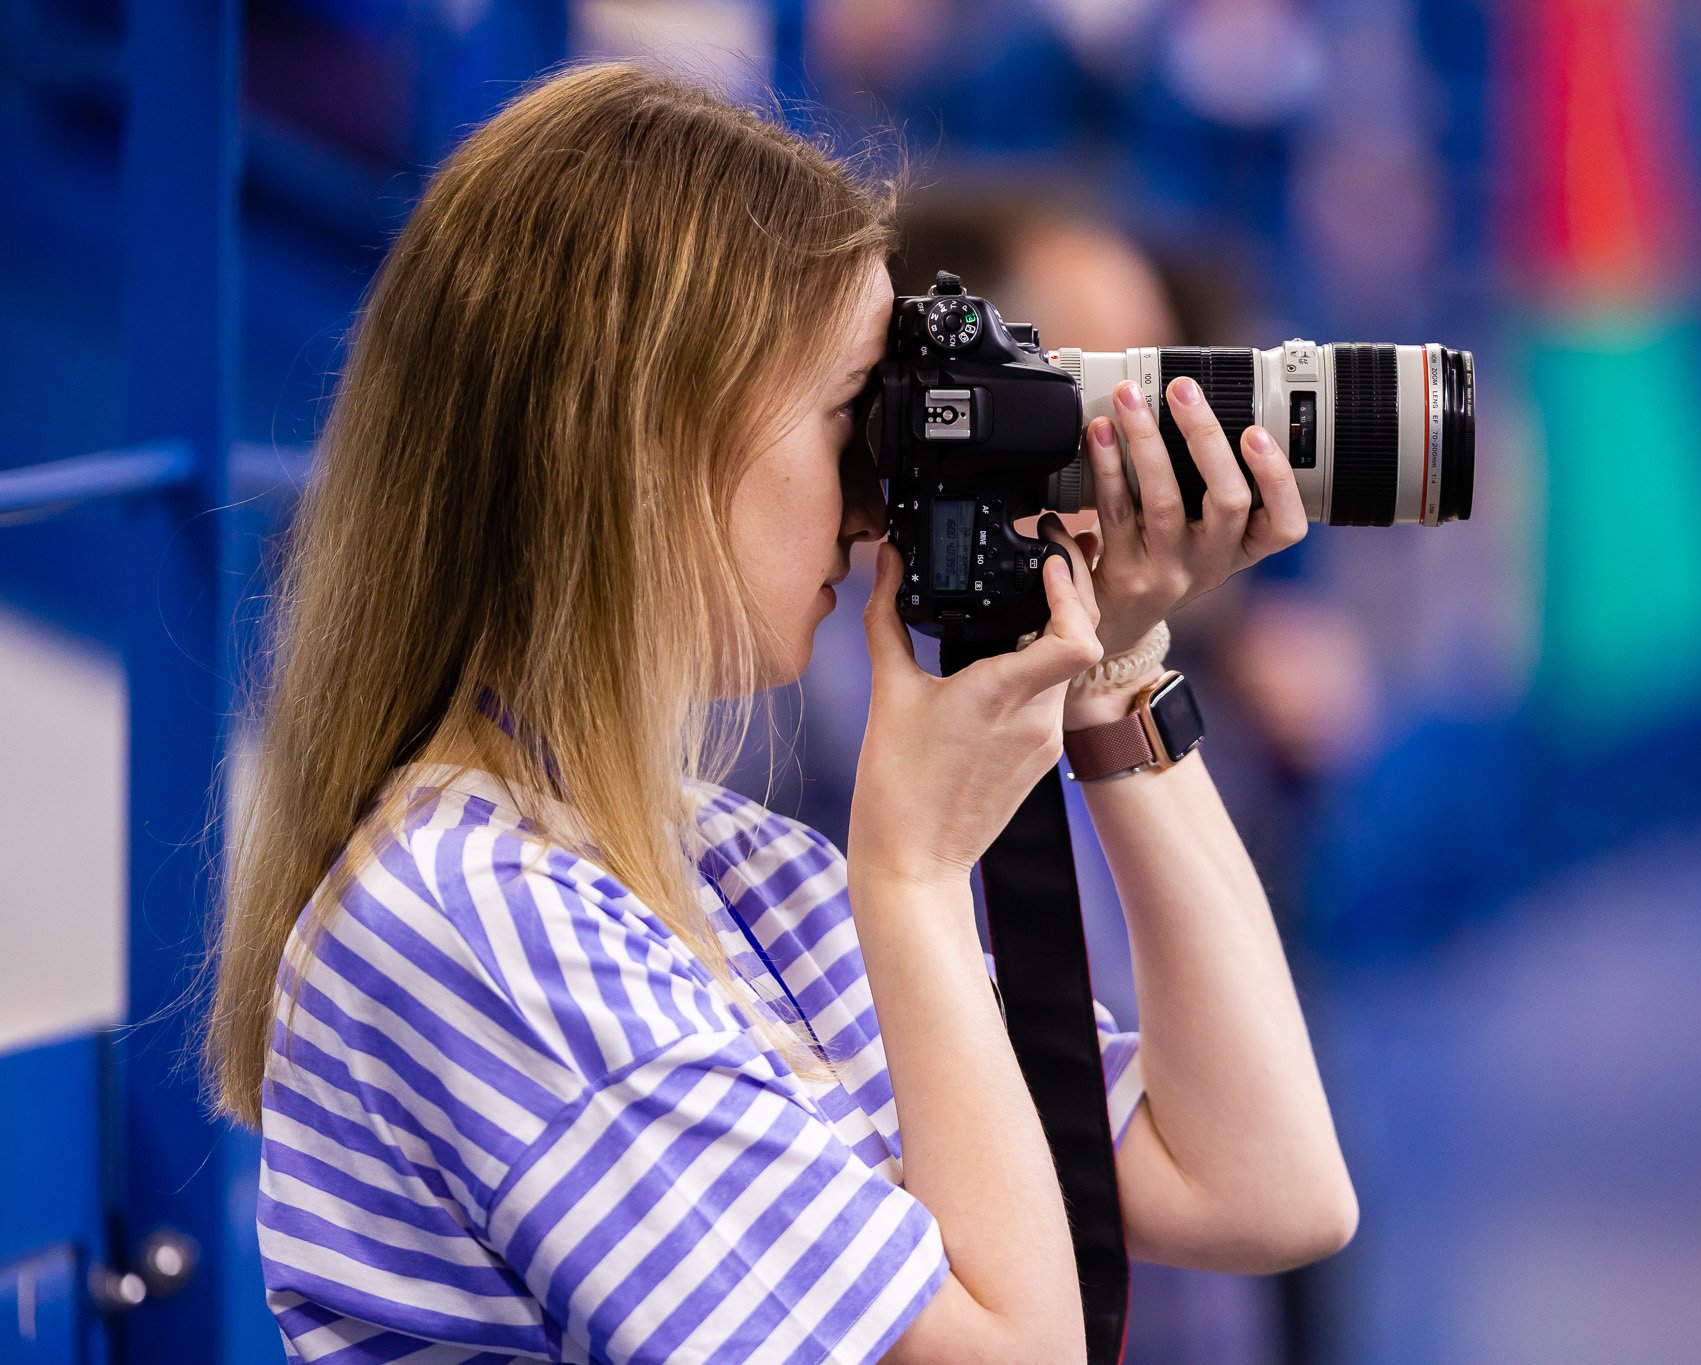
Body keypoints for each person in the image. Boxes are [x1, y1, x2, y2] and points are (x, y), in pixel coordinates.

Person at [202, 60, 1356, 1364]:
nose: (875, 505)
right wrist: (913, 877)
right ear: (649, 441)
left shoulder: (710, 865)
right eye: (847, 416)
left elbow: (1264, 1183)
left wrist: (1119, 669)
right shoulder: (483, 929)